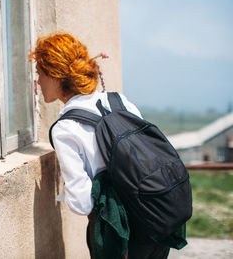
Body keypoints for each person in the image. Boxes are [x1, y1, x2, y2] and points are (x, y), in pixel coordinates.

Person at [29, 33, 171, 259]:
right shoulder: (121, 102)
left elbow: (82, 204)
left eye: (39, 73)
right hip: (157, 221)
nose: (37, 82)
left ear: (55, 76)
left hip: (118, 236)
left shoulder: (65, 129)